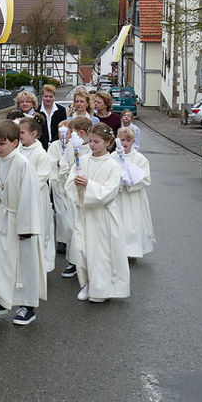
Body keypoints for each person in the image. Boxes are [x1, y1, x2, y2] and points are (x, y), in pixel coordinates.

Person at [0, 120, 46, 326]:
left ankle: (28, 306)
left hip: (20, 220)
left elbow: (29, 197)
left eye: (1, 143)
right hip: (1, 217)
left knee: (24, 264)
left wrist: (26, 229)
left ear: (15, 143)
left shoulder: (23, 164)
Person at [64, 123, 129, 303]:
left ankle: (101, 288)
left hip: (102, 216)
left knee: (100, 252)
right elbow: (69, 182)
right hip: (84, 213)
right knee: (82, 249)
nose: (92, 145)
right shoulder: (83, 160)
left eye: (97, 142)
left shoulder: (113, 166)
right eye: (90, 141)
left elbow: (109, 192)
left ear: (108, 142)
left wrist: (88, 185)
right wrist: (76, 184)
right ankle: (86, 283)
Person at [17, 117, 55, 273]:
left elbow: (41, 177)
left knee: (40, 230)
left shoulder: (41, 154)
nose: (19, 135)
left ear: (34, 134)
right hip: (19, 196)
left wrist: (23, 187)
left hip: (37, 198)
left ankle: (42, 267)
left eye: (22, 132)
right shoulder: (17, 149)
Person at [114, 127, 155, 259]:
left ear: (133, 141)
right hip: (118, 196)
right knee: (118, 221)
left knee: (133, 223)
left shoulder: (140, 158)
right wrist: (118, 183)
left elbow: (146, 179)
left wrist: (130, 184)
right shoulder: (113, 157)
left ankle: (132, 250)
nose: (125, 143)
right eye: (122, 140)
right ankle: (117, 249)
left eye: (128, 140)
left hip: (133, 197)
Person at [61, 116, 93, 279]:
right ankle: (74, 261)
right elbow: (64, 164)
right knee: (73, 227)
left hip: (88, 195)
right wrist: (70, 171)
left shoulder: (94, 147)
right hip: (74, 192)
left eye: (73, 132)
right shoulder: (71, 147)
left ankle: (89, 261)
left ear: (80, 133)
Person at [47, 119, 75, 264]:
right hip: (58, 182)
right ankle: (61, 240)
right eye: (60, 133)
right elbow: (49, 160)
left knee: (70, 211)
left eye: (67, 133)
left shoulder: (73, 145)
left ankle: (71, 238)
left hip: (70, 183)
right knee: (61, 212)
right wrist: (57, 162)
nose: (63, 136)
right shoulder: (54, 146)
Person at [37, 84, 68, 150]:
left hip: (57, 145)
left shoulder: (61, 110)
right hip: (41, 146)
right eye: (46, 96)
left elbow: (63, 128)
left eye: (51, 96)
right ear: (42, 97)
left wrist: (53, 143)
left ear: (54, 97)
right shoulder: (37, 111)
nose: (48, 99)